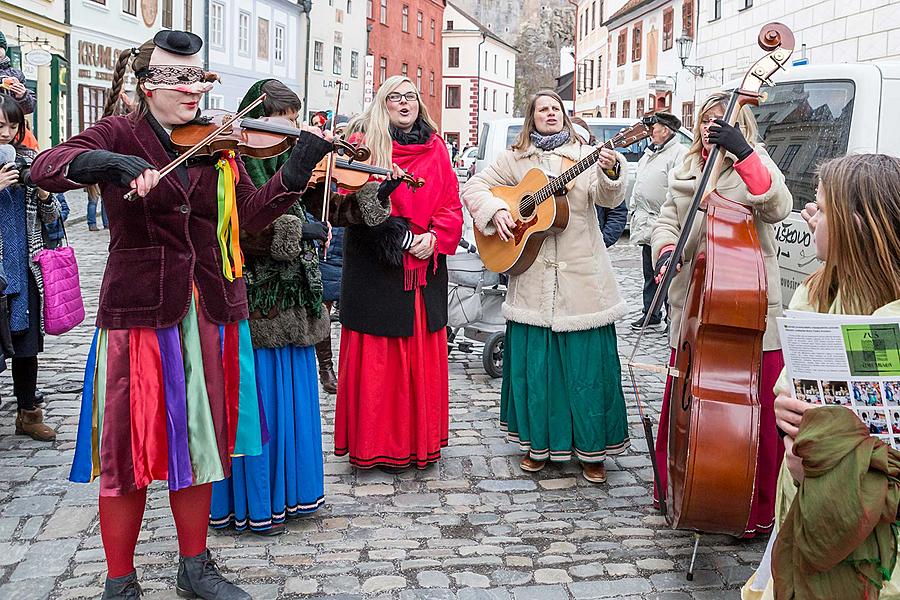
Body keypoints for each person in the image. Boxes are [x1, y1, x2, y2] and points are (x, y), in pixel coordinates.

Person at [30, 31, 332, 600]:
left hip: (212, 309)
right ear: (149, 87)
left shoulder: (218, 141)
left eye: (198, 77)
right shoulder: (121, 132)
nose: (192, 89)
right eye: (178, 80)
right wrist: (113, 164)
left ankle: (195, 567)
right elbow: (49, 165)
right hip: (141, 313)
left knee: (201, 444)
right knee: (127, 449)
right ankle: (120, 580)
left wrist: (294, 176)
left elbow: (246, 217)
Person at [742, 154, 900, 600]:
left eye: (822, 208)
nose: (810, 218)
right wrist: (784, 410)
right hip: (806, 511)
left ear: (855, 225)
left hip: (878, 548)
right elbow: (790, 386)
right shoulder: (816, 293)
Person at [462, 90, 630, 484]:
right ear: (531, 119)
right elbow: (475, 189)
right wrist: (498, 210)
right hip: (532, 280)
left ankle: (593, 449)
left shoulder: (583, 153)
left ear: (565, 116)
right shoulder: (514, 159)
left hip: (582, 278)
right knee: (537, 370)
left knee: (586, 370)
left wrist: (611, 171)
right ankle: (536, 444)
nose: (550, 114)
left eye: (556, 108)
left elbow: (608, 196)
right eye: (542, 109)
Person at [650, 91, 792, 536]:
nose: (713, 127)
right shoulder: (687, 167)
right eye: (708, 120)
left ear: (741, 124)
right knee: (685, 401)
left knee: (756, 410)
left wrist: (743, 152)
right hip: (693, 302)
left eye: (723, 121)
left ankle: (754, 508)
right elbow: (666, 220)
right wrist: (665, 251)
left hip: (746, 308)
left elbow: (777, 205)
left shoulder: (757, 163)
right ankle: (681, 488)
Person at [210, 78, 329, 536]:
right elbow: (239, 228)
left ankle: (294, 496)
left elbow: (318, 209)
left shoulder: (285, 162)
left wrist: (351, 205)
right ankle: (256, 501)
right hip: (258, 302)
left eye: (294, 122)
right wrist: (297, 233)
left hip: (294, 304)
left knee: (292, 405)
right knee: (259, 408)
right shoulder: (232, 162)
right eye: (282, 122)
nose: (288, 132)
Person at [333, 75, 463, 471]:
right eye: (395, 97)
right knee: (380, 360)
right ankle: (376, 445)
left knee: (418, 357)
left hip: (424, 270)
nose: (404, 103)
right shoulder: (362, 144)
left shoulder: (437, 148)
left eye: (410, 97)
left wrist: (435, 238)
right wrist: (401, 238)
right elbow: (349, 203)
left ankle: (417, 441)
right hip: (376, 268)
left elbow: (450, 202)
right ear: (382, 102)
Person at [0, 94, 61, 442]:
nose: (7, 133)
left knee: (27, 349)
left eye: (13, 125)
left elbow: (56, 220)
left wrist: (44, 195)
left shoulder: (30, 161)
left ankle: (28, 413)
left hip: (24, 270)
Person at [628, 111, 687, 331]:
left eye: (654, 128)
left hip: (664, 222)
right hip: (646, 221)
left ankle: (671, 316)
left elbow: (677, 189)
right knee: (649, 273)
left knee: (667, 274)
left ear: (665, 130)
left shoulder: (679, 153)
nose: (650, 132)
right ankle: (651, 313)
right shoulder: (650, 153)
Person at [570, 116, 628, 249]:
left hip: (592, 244)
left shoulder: (599, 165)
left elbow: (617, 211)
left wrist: (602, 240)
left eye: (577, 140)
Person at [0, 31, 36, 115]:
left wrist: (22, 96)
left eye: (0, 47)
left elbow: (28, 109)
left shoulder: (16, 74)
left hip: (9, 124)